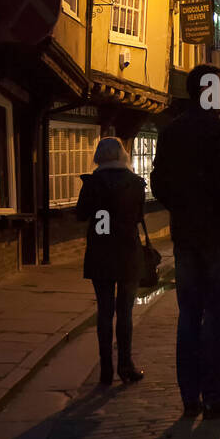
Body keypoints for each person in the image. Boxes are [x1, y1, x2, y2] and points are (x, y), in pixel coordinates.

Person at [151, 63, 220, 420]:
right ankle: (215, 397)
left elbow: (159, 182)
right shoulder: (218, 131)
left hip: (186, 235)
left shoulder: (171, 131)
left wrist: (182, 208)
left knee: (189, 315)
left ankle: (189, 398)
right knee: (217, 317)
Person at [76, 136, 146, 387]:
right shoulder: (135, 183)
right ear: (122, 155)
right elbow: (138, 216)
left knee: (104, 312)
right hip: (127, 251)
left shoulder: (92, 183)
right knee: (125, 312)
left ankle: (105, 369)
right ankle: (125, 366)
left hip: (101, 251)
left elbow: (80, 214)